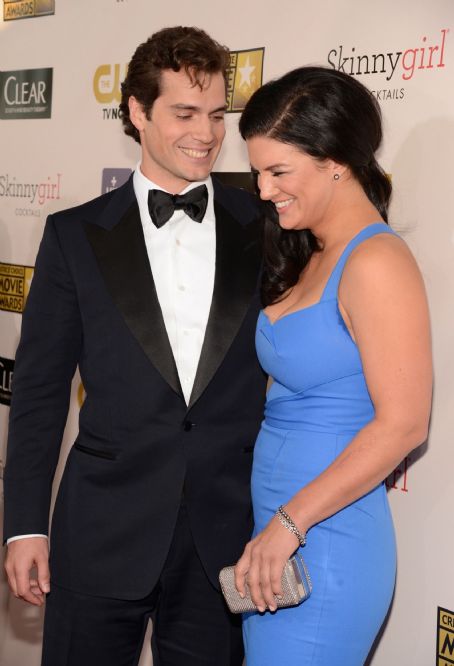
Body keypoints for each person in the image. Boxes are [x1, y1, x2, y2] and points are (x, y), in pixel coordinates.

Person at [3, 26, 266, 666]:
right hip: (101, 528)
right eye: (183, 112)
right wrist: (24, 524)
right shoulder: (74, 236)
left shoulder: (265, 225)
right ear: (138, 112)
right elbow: (38, 391)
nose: (205, 133)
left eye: (216, 114)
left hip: (225, 535)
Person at [234, 66, 432, 665]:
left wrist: (289, 524)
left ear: (336, 161)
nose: (264, 191)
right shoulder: (314, 251)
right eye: (257, 173)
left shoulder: (376, 262)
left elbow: (404, 426)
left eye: (278, 172)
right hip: (277, 538)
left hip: (324, 540)